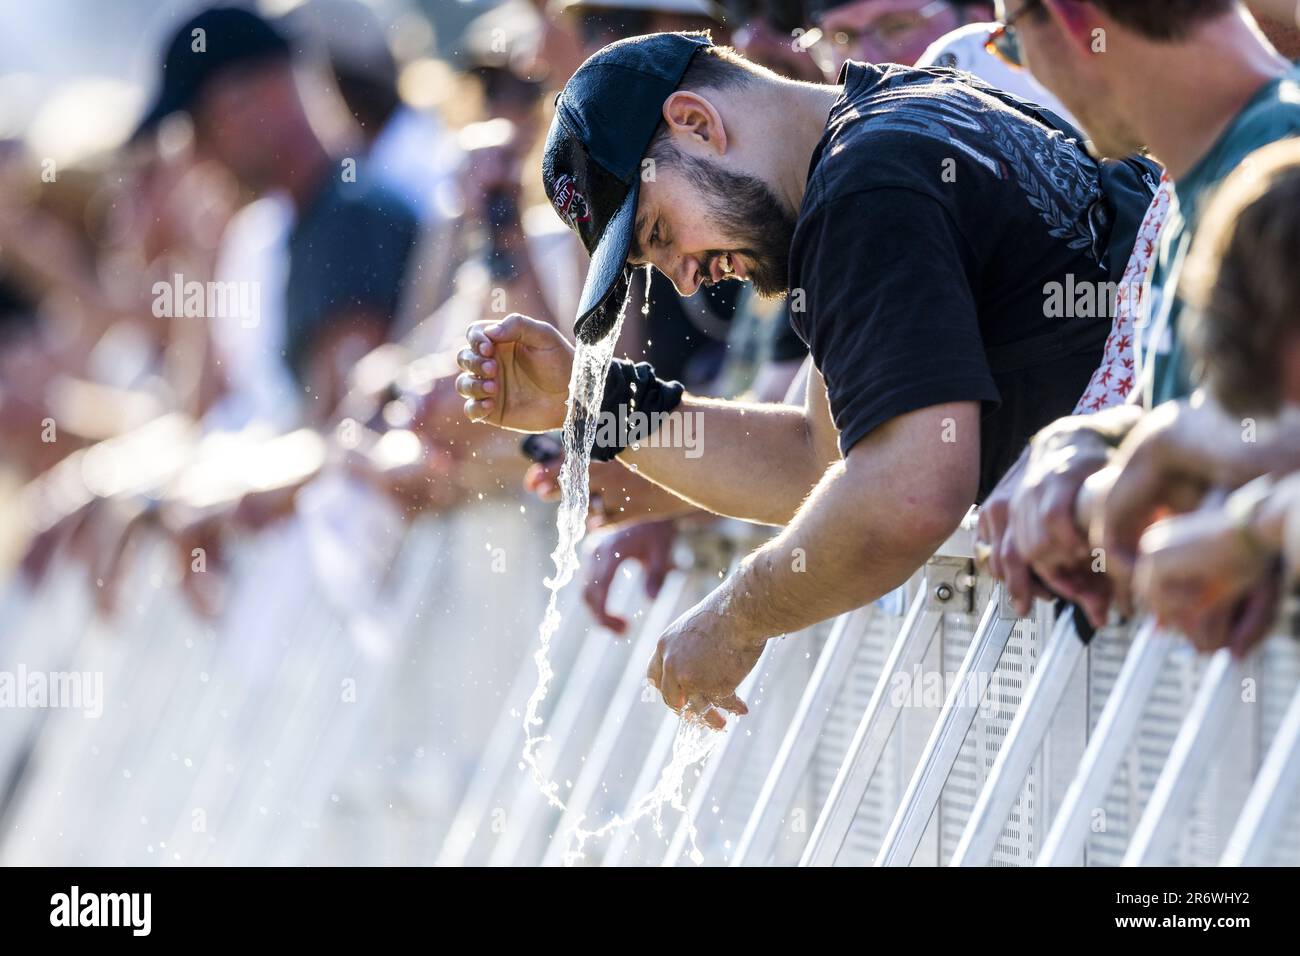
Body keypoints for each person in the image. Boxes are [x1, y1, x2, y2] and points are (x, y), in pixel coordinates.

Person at [455, 32, 1156, 726]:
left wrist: (738, 618)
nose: (685, 277)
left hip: (1181, 623)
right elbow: (822, 462)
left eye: (662, 234)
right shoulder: (887, 122)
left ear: (696, 123)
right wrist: (595, 405)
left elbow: (909, 493)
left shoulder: (864, 188)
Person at [978, 0, 1300, 627]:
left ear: (1073, 19)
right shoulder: (1186, 185)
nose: (1028, 73)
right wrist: (1099, 437)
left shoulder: (1277, 156)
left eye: (1012, 41)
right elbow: (1237, 419)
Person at [136, 6, 421, 427]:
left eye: (202, 125)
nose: (196, 155)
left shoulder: (350, 215)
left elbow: (344, 424)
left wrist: (226, 489)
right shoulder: (305, 218)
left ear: (268, 95)